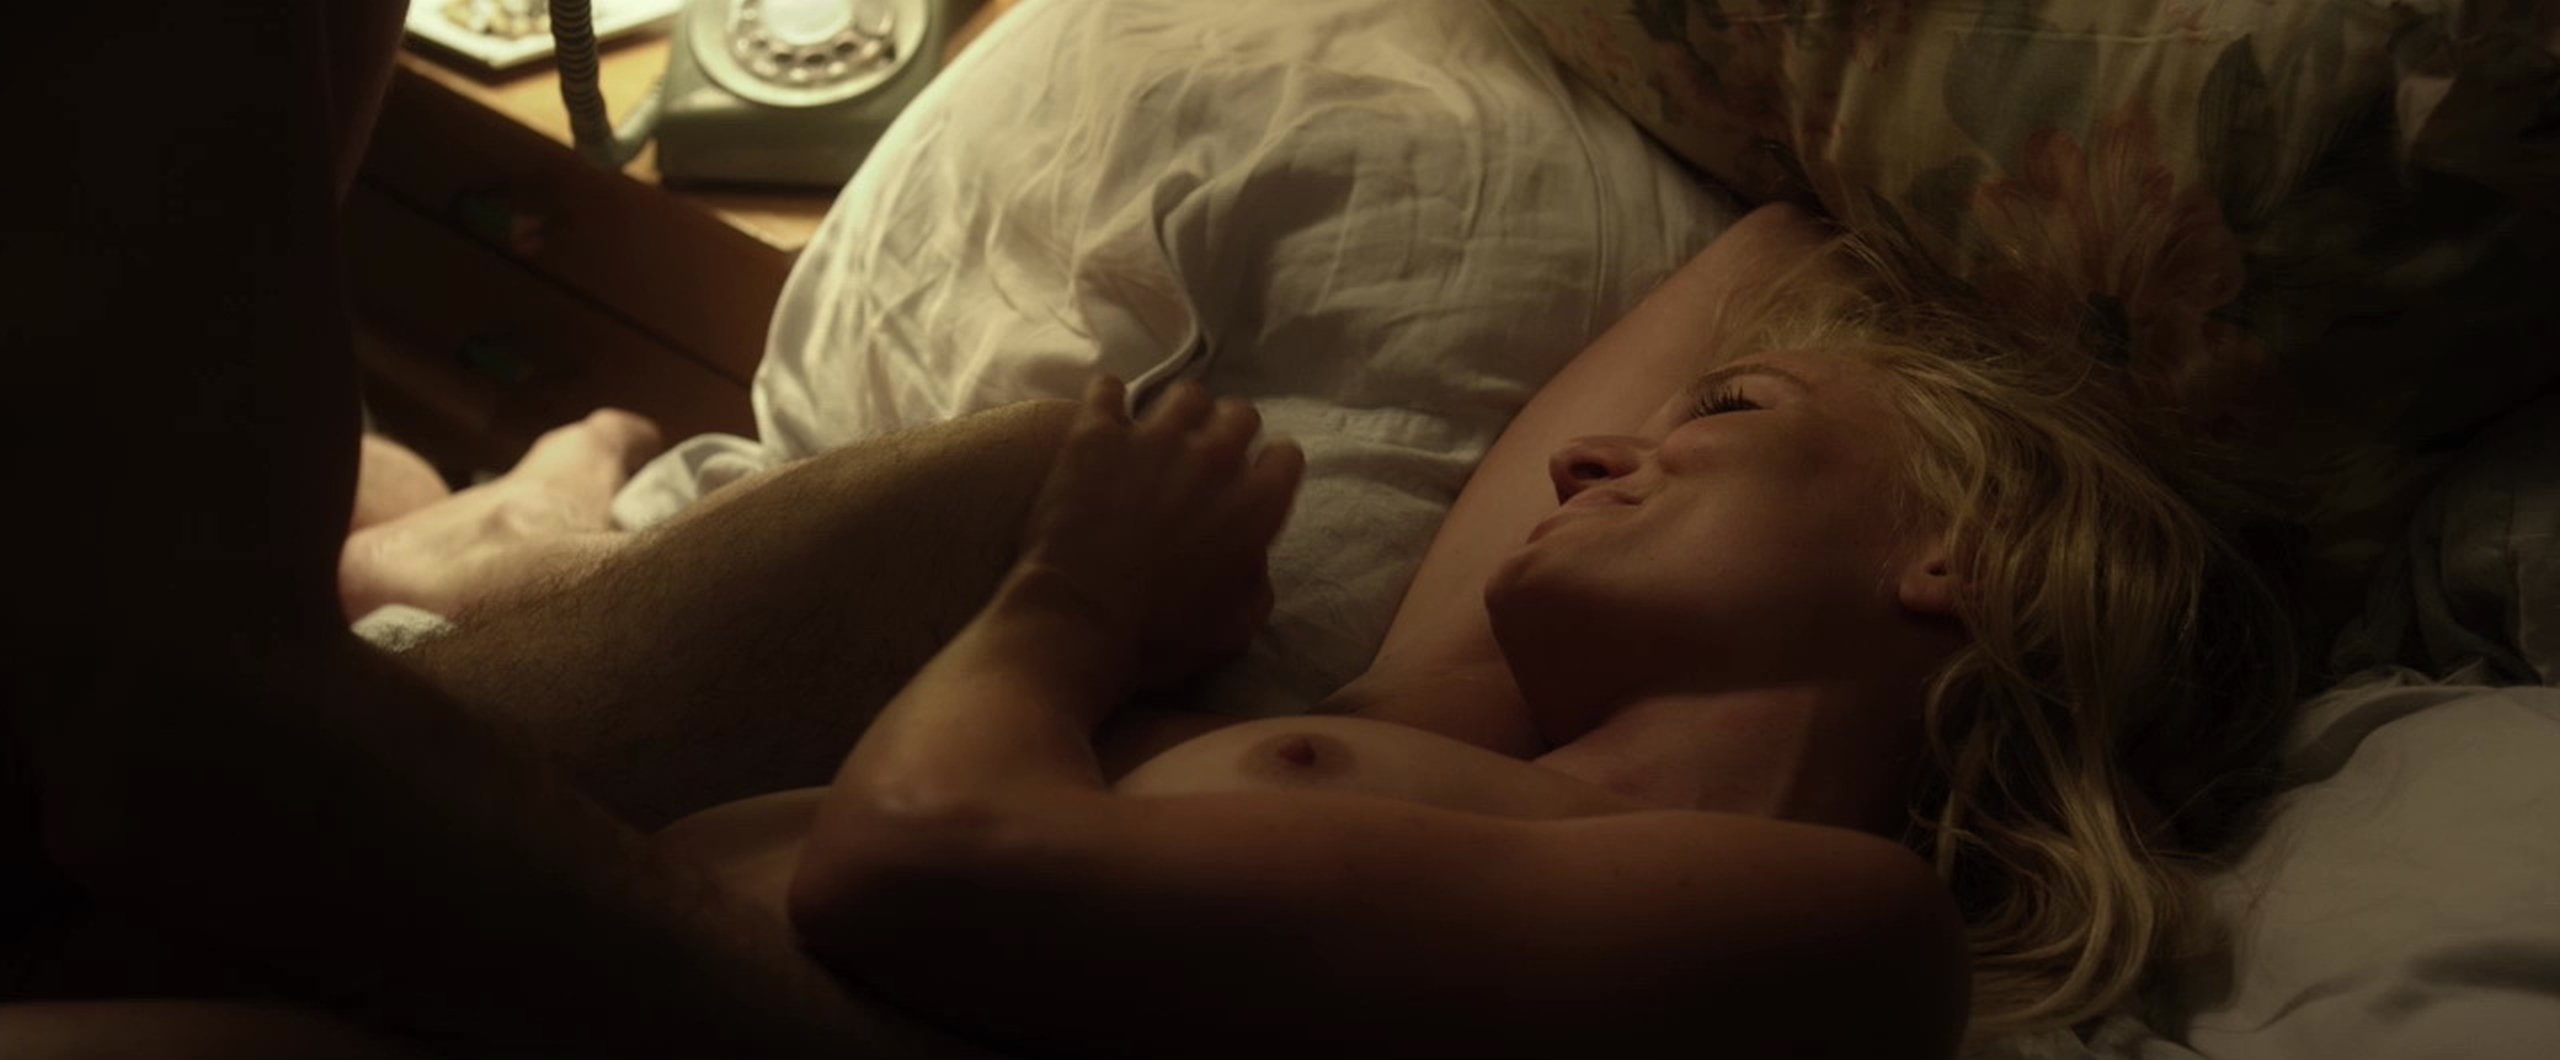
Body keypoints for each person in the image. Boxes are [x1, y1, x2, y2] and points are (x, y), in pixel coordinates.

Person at [643, 211, 2302, 1057]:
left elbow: (914, 866)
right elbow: (1782, 246)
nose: (1589, 458)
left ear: (1957, 556)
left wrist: (1073, 598)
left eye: (1724, 413)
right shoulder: (1443, 747)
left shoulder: (1847, 930)